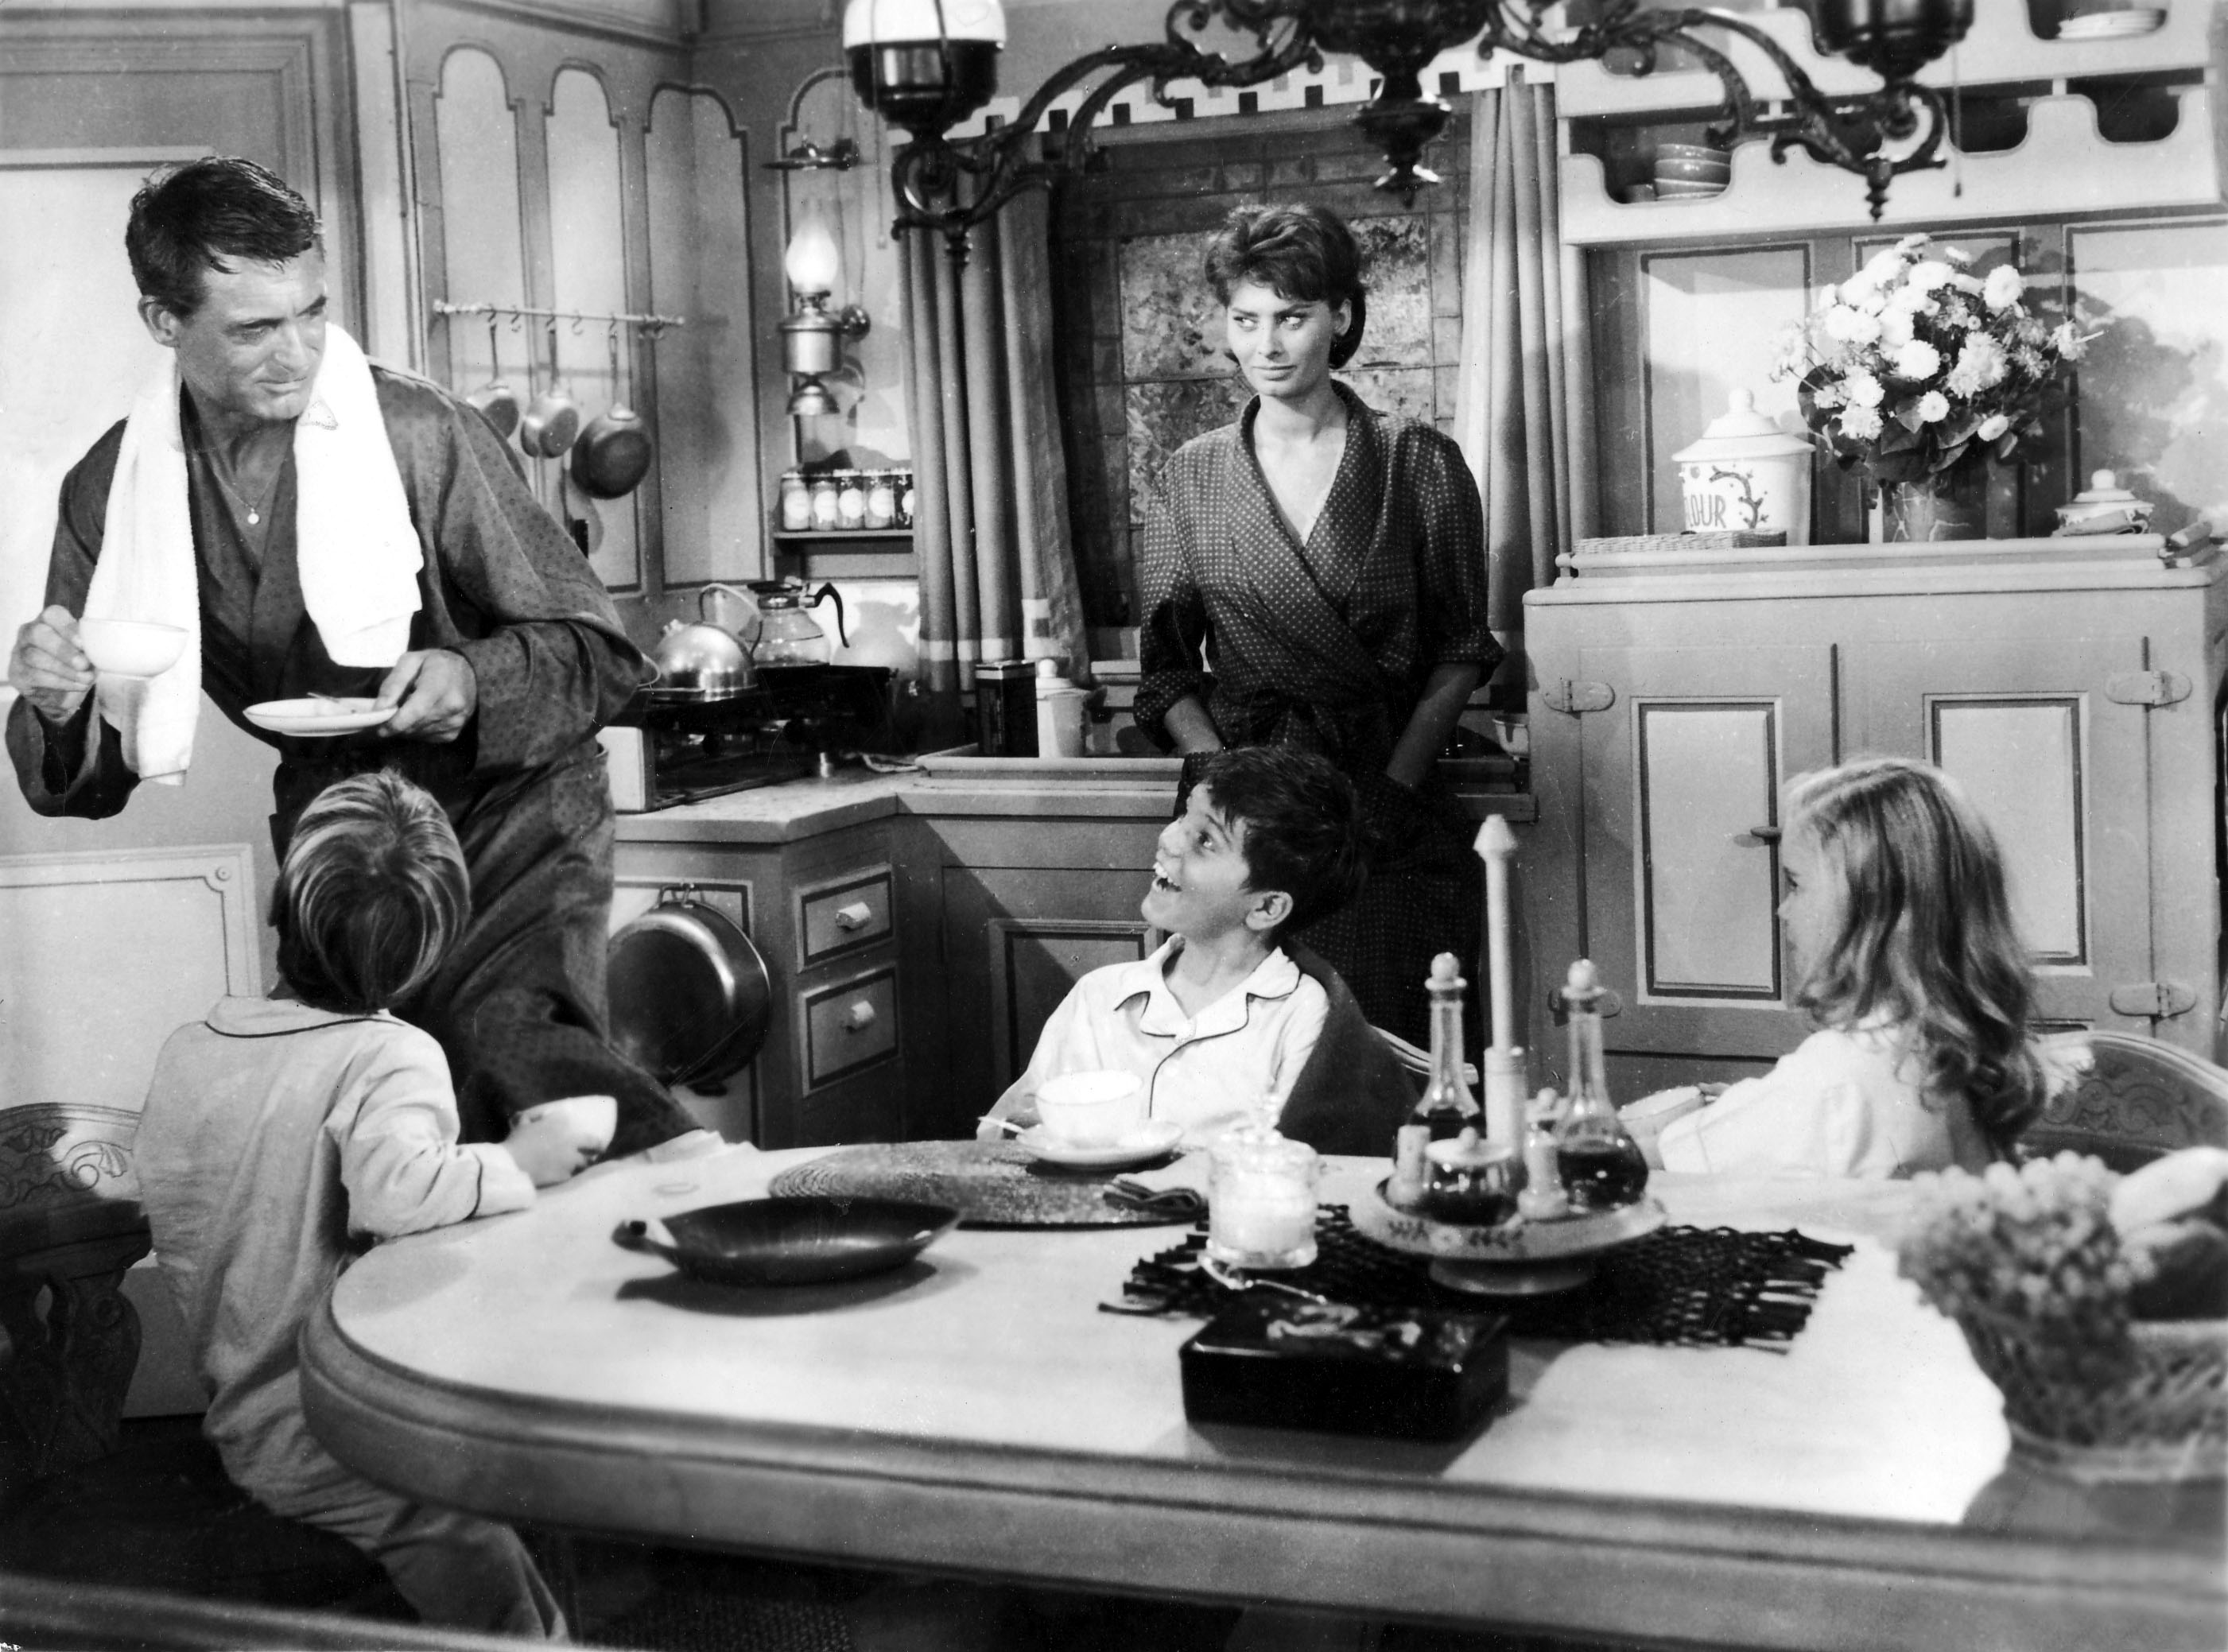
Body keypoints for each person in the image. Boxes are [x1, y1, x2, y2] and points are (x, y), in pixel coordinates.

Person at [6, 156, 703, 1161]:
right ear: (163, 321)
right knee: (352, 1085)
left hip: (508, 811)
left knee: (510, 1050)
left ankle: (694, 1218)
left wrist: (471, 680)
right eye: (254, 329)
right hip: (337, 827)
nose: (297, 354)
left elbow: (600, 652)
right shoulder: (113, 488)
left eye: (312, 313)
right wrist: (57, 699)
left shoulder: (419, 432)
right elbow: (83, 768)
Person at [135, 771, 589, 1637]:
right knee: (486, 1565)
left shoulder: (191, 1047)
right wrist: (519, 1161)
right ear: (430, 952)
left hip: (244, 1417)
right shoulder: (389, 1054)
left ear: (281, 906)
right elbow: (396, 1192)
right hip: (341, 1433)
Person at [1135, 201, 1500, 1049]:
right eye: (1246, 319)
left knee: (1376, 1053)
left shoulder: (1418, 460)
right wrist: (1221, 780)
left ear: (1339, 316)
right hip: (1237, 821)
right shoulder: (1192, 474)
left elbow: (1459, 651)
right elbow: (1167, 668)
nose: (1266, 345)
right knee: (1228, 1051)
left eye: (1291, 317)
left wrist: (1391, 793)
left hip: (1379, 802)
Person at [1627, 757, 2057, 1178]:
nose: (1782, 910)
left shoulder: (1840, 1071)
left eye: (1796, 884)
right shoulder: (1943, 1044)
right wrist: (1756, 1108)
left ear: (1873, 907)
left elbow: (1648, 1157)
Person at [979, 745, 1392, 1150]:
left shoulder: (1300, 1016)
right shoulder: (1098, 997)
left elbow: (1294, 1166)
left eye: (1206, 841)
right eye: (1183, 816)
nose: (1170, 840)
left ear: (1266, 908)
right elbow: (1010, 1134)